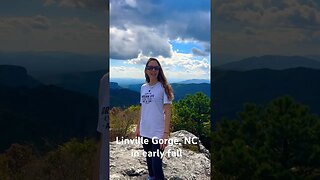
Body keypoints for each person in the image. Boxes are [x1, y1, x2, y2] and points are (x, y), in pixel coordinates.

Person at [135, 57, 174, 180]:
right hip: (145, 130)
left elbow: (168, 111)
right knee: (148, 158)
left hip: (158, 132)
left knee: (156, 164)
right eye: (150, 68)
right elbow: (143, 108)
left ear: (159, 70)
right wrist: (138, 127)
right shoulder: (143, 87)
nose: (153, 70)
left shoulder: (163, 87)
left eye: (156, 68)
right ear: (146, 70)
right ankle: (151, 177)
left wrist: (166, 134)